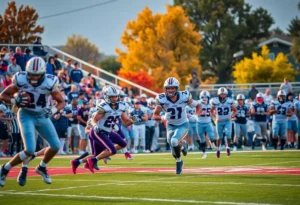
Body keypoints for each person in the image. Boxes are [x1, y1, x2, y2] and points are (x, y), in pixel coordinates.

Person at [0, 57, 65, 187]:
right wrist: (14, 101)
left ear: (43, 73)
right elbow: (3, 95)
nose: (34, 78)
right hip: (26, 114)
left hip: (42, 116)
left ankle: (42, 167)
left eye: (37, 75)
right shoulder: (21, 79)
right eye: (31, 75)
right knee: (29, 149)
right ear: (27, 72)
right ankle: (5, 168)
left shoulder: (50, 81)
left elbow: (61, 101)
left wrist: (52, 110)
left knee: (56, 146)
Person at [71, 86, 134, 174]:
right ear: (107, 97)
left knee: (122, 143)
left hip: (108, 131)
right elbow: (93, 120)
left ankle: (76, 162)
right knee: (112, 150)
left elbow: (126, 122)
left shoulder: (121, 106)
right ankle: (93, 161)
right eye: (112, 97)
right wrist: (95, 126)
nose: (115, 98)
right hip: (99, 131)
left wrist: (132, 120)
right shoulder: (104, 107)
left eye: (116, 96)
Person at [153, 77, 200, 175]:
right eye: (168, 88)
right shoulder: (161, 99)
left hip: (183, 124)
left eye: (172, 88)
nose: (170, 90)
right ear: (165, 89)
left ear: (177, 88)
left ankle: (178, 162)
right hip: (170, 126)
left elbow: (198, 105)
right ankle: (182, 147)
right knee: (173, 151)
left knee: (174, 141)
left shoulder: (184, 96)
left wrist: (196, 115)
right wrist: (162, 117)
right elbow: (155, 115)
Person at [210, 87, 237, 158]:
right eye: (221, 94)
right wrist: (215, 118)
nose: (222, 96)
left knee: (228, 135)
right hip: (219, 121)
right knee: (219, 137)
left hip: (227, 121)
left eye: (224, 94)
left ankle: (227, 146)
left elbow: (235, 110)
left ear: (226, 95)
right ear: (218, 94)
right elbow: (211, 111)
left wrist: (231, 116)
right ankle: (218, 149)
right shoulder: (215, 101)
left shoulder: (229, 101)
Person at [198, 90, 215, 159]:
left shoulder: (211, 104)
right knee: (202, 139)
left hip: (208, 122)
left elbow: (214, 112)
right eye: (203, 97)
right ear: (200, 98)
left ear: (208, 97)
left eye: (206, 97)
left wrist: (214, 117)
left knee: (211, 136)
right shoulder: (198, 104)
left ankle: (213, 144)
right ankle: (204, 153)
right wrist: (200, 113)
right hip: (199, 123)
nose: (204, 98)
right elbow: (194, 113)